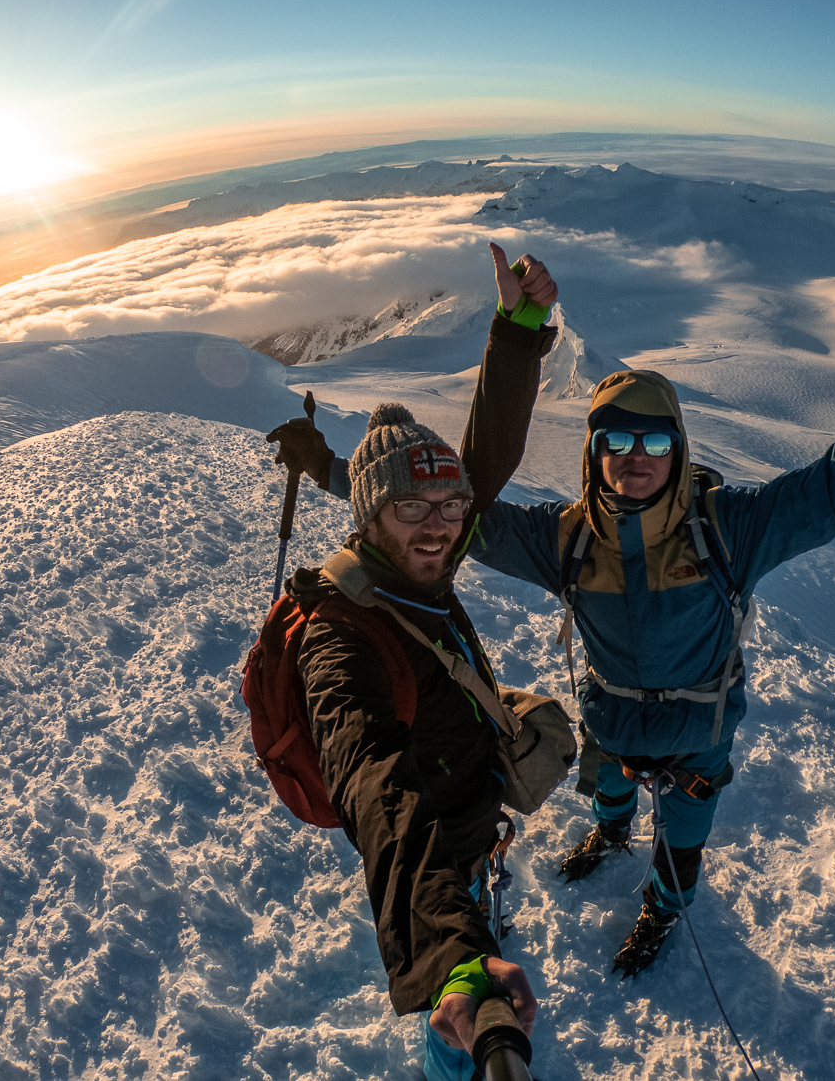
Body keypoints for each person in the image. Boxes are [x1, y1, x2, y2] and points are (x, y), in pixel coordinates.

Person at [449, 289, 835, 974]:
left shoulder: (725, 530)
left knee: (682, 840)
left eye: (654, 439)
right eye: (614, 440)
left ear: (678, 449)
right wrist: (337, 470)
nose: (635, 456)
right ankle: (612, 830)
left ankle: (663, 907)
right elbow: (448, 517)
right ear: (593, 452)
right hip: (616, 724)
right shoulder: (564, 537)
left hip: (696, 740)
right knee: (610, 789)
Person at [266, 248, 561, 1079]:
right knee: (457, 1011)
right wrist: (451, 952)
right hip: (434, 841)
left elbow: (487, 460)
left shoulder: (420, 558)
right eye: (411, 507)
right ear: (369, 516)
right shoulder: (340, 633)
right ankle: (448, 1050)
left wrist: (518, 330)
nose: (439, 525)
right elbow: (374, 784)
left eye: (449, 505)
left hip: (468, 806)